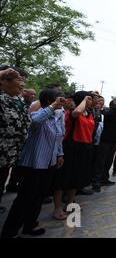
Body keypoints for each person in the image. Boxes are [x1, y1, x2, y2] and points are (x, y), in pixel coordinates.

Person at [1, 89, 65, 238]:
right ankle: (9, 232)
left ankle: (29, 226)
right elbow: (34, 122)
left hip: (49, 164)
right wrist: (52, 107)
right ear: (49, 101)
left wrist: (60, 154)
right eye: (58, 99)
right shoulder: (38, 115)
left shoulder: (59, 116)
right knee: (24, 199)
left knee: (38, 197)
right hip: (33, 165)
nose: (62, 101)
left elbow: (59, 137)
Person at [53, 92, 95, 220]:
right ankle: (57, 208)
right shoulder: (71, 112)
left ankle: (70, 204)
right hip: (70, 149)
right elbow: (76, 113)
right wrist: (83, 100)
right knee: (62, 179)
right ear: (82, 100)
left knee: (76, 178)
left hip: (84, 149)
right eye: (89, 99)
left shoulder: (90, 114)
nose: (91, 101)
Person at [0, 66, 30, 214]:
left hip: (12, 152)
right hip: (2, 149)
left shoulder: (18, 99)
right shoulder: (2, 98)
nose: (22, 84)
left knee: (2, 178)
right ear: (4, 82)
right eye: (19, 80)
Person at [5, 88, 37, 193]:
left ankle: (13, 184)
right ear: (25, 93)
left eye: (34, 94)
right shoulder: (18, 103)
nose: (33, 96)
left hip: (24, 139)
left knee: (18, 165)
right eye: (31, 94)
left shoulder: (33, 105)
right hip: (10, 141)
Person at [92, 101, 116, 192]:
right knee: (101, 162)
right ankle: (96, 182)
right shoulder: (107, 113)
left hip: (114, 142)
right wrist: (115, 107)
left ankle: (105, 179)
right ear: (113, 105)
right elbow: (108, 114)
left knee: (109, 161)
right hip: (105, 141)